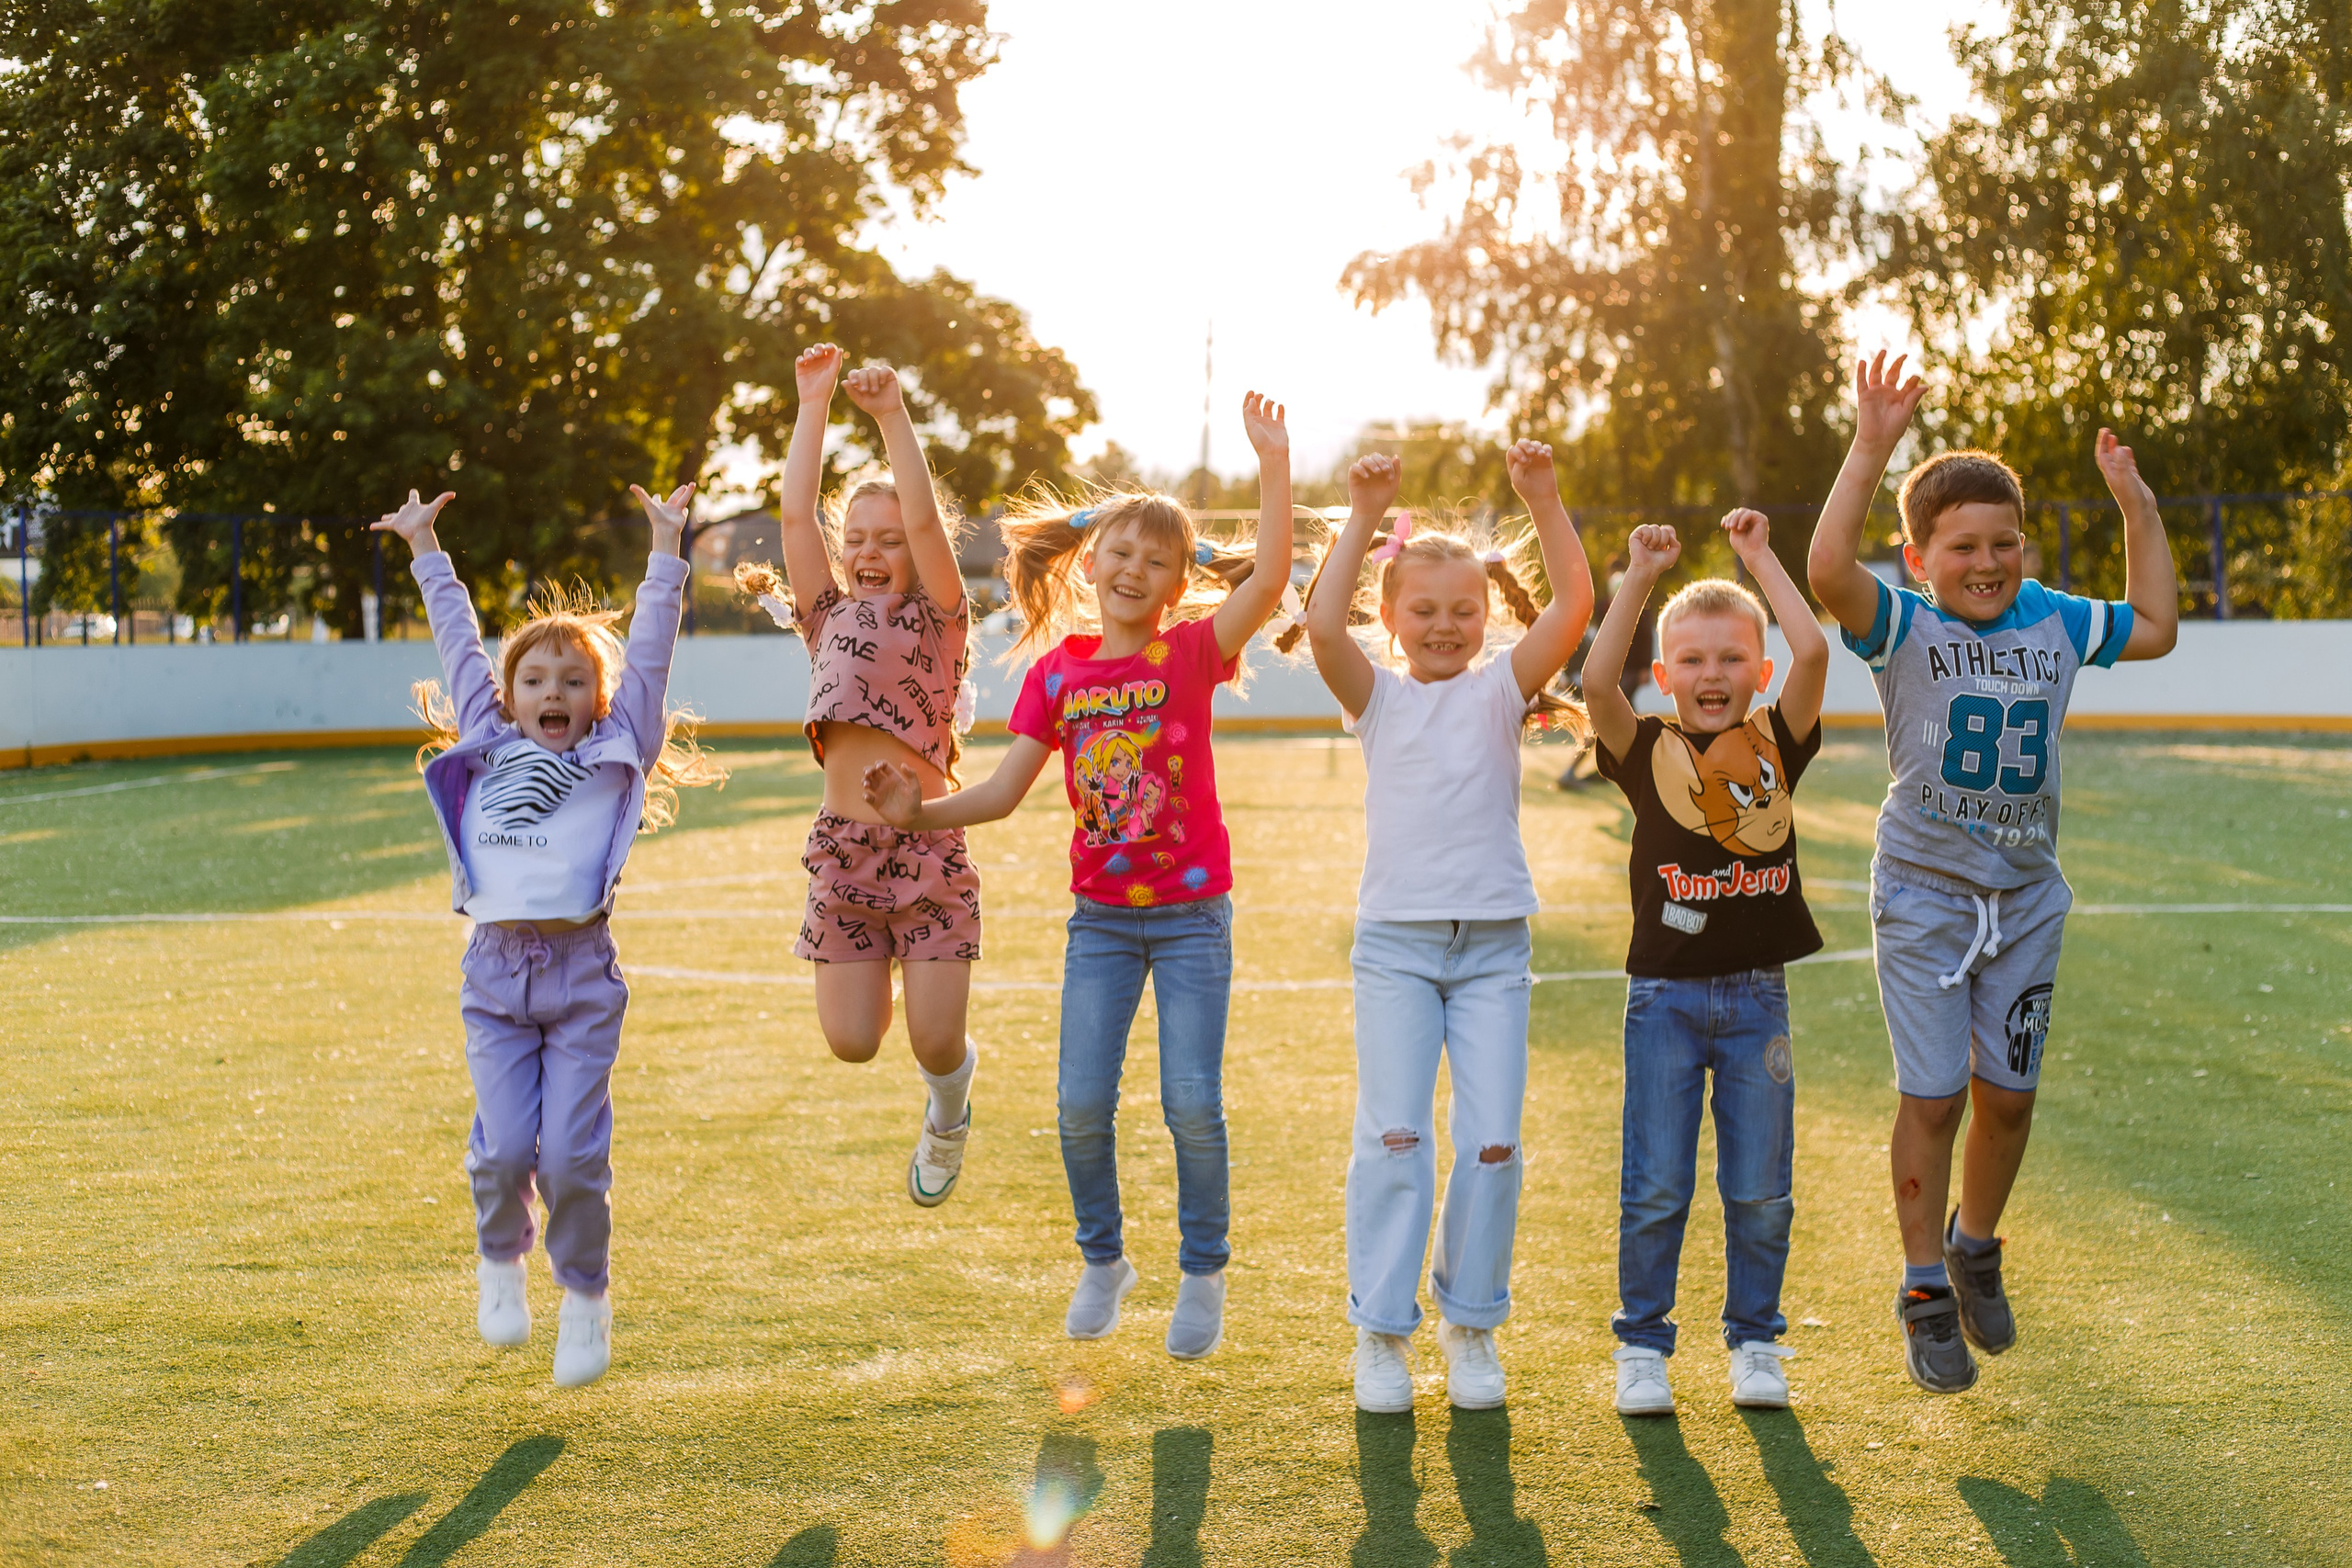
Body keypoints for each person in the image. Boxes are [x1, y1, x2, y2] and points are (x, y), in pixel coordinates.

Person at [861, 392, 1299, 1360]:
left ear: (1180, 582)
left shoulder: (1192, 653)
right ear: (1090, 565)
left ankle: (1203, 1270)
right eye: (1121, 555)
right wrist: (919, 813)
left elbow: (1268, 577)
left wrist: (1270, 464)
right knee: (1078, 1106)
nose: (1135, 570)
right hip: (1100, 923)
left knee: (1190, 1101)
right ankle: (1104, 1261)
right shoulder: (1056, 674)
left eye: (1158, 561)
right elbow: (1007, 790)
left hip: (1191, 918)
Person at [1805, 351, 2178, 1393]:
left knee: (2005, 1100)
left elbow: (2154, 628)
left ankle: (1976, 1245)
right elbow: (1828, 566)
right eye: (1962, 546)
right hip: (1924, 894)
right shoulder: (1905, 627)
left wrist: (2133, 505)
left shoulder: (2053, 618)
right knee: (1931, 1097)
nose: (1987, 562)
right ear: (1918, 557)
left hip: (2025, 899)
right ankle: (1923, 1285)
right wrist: (1872, 444)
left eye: (2003, 543)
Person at [377, 481, 725, 1388]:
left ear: (599, 700)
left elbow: (648, 652)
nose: (554, 691)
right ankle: (501, 1262)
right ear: (507, 697)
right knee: (499, 1152)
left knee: (571, 1157)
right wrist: (426, 550)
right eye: (534, 680)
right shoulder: (487, 742)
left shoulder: (616, 754)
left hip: (579, 976)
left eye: (574, 681)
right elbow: (457, 639)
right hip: (494, 975)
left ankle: (585, 1294)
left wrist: (665, 544)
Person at [1299, 442, 1593, 1415]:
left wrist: (1542, 500)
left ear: (1484, 617)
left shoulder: (1502, 689)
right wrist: (1361, 510)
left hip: (1493, 953)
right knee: (1393, 1140)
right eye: (1422, 611)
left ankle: (1470, 1325)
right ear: (1390, 618)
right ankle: (1380, 1334)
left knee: (1491, 1141)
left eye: (1462, 611)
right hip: (1396, 949)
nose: (1443, 626)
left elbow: (1572, 609)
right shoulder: (1373, 697)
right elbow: (1318, 622)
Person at [1582, 513, 1827, 1417]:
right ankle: (1641, 1347)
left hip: (1759, 1001)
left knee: (1761, 1189)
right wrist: (1642, 575)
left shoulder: (1775, 740)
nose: (1712, 675)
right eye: (1690, 660)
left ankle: (1755, 1340)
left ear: (1755, 675)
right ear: (1664, 676)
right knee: (1654, 1187)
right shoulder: (1643, 748)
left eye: (1730, 659)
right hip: (1664, 1005)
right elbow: (1593, 679)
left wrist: (1760, 558)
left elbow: (1812, 654)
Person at [734, 345, 982, 1207]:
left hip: (926, 849)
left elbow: (925, 525)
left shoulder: (941, 619)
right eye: (859, 541)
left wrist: (890, 418)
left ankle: (949, 1112)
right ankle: (892, 1007)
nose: (874, 551)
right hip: (843, 855)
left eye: (891, 540)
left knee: (934, 1043)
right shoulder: (825, 616)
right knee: (852, 1041)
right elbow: (797, 517)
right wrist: (812, 402)